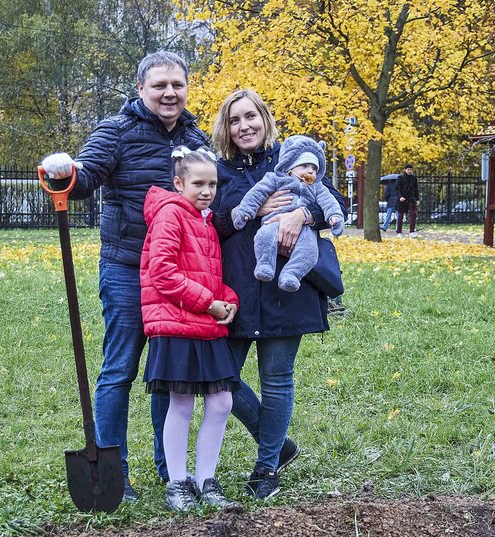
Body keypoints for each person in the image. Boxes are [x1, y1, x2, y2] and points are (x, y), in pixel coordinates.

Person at [39, 51, 209, 502]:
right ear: (141, 89)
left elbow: (215, 196)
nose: (170, 93)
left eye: (177, 84)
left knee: (167, 373)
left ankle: (169, 471)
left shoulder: (196, 138)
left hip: (175, 275)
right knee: (119, 370)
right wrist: (65, 174)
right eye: (160, 85)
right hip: (127, 268)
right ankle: (115, 474)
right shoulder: (116, 131)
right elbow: (85, 176)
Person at [210, 88, 345, 499]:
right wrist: (252, 214)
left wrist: (301, 213)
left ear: (265, 119)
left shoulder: (291, 159)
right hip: (237, 290)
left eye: (251, 116)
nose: (244, 126)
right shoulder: (219, 171)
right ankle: (277, 442)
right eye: (234, 120)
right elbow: (206, 222)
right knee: (221, 379)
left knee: (277, 379)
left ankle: (267, 466)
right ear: (225, 128)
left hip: (288, 291)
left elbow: (335, 201)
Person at [140, 147, 241, 511]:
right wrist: (208, 303)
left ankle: (206, 480)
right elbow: (162, 272)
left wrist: (227, 299)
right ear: (179, 183)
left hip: (205, 321)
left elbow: (210, 276)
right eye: (198, 183)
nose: (207, 190)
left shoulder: (206, 220)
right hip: (176, 323)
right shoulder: (170, 215)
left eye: (212, 184)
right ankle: (178, 483)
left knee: (222, 401)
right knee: (180, 403)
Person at [231, 134, 345, 291]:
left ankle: (291, 274)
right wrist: (246, 211)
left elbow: (330, 202)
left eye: (314, 168)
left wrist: (334, 216)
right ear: (290, 166)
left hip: (305, 231)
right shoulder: (275, 179)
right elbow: (256, 194)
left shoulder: (317, 187)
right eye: (304, 166)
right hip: (273, 222)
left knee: (309, 252)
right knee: (264, 237)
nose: (310, 171)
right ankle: (265, 265)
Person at [396, 164, 419, 235]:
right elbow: (397, 188)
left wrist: (417, 199)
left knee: (413, 214)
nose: (409, 171)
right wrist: (400, 197)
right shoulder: (400, 178)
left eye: (411, 170)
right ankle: (399, 232)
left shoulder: (414, 178)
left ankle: (412, 231)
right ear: (405, 170)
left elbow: (416, 189)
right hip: (402, 199)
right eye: (408, 169)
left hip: (411, 199)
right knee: (400, 215)